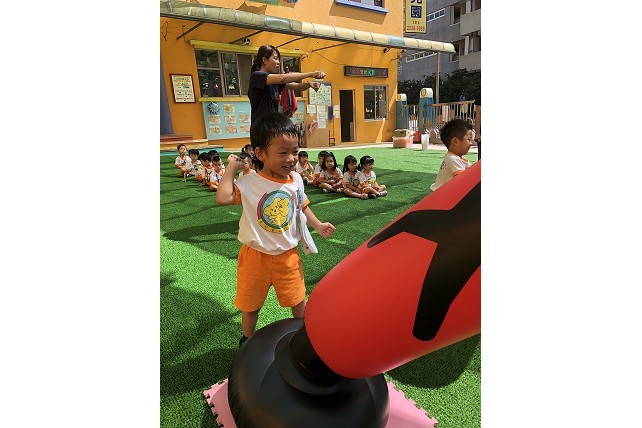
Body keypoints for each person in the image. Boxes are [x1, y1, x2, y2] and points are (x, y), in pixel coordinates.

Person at [216, 112, 336, 347]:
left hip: (287, 256)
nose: (291, 159)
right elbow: (223, 198)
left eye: (295, 151)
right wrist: (232, 167)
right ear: (260, 153)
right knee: (251, 305)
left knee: (298, 300)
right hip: (255, 257)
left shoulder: (296, 180)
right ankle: (247, 339)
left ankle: (303, 337)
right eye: (283, 153)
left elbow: (302, 206)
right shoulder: (250, 182)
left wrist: (318, 224)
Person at [249, 44, 325, 124]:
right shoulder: (257, 76)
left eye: (278, 59)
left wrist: (309, 84)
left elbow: (298, 87)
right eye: (275, 58)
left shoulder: (274, 82)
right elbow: (282, 78)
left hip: (272, 126)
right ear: (264, 60)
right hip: (260, 127)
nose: (278, 62)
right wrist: (311, 74)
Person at [430, 118, 474, 191]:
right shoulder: (453, 160)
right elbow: (464, 180)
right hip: (444, 194)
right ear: (455, 141)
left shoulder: (454, 158)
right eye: (469, 139)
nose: (471, 143)